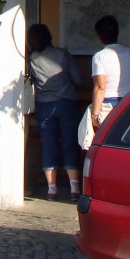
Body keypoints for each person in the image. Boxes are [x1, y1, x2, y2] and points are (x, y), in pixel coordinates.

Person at [27, 23, 84, 201]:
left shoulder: (32, 59)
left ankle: (51, 190)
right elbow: (78, 79)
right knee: (69, 143)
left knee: (48, 145)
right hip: (67, 103)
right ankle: (74, 189)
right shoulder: (63, 54)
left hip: (44, 105)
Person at [88, 14, 130, 141]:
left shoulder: (99, 57)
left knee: (110, 142)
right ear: (117, 33)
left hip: (108, 105)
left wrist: (94, 116)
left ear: (99, 36)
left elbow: (100, 87)